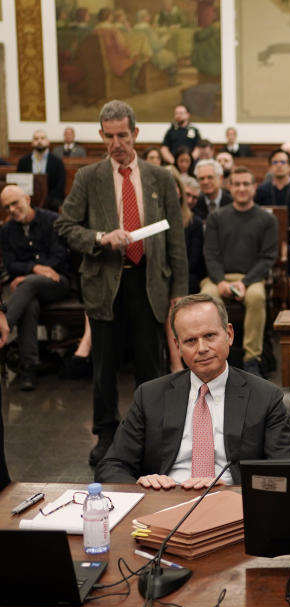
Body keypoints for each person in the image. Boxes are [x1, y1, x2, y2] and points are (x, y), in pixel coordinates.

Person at [55, 99, 188, 467]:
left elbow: (176, 239)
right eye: (109, 136)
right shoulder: (88, 177)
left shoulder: (160, 178)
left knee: (151, 367)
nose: (117, 143)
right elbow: (64, 226)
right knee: (105, 367)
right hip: (104, 285)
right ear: (101, 136)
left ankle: (153, 435)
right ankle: (106, 436)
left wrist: (179, 293)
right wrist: (100, 238)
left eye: (123, 135)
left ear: (136, 133)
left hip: (150, 284)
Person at [95, 294, 290, 488]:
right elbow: (111, 466)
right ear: (177, 346)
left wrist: (235, 489)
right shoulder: (149, 395)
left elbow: (286, 474)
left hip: (232, 503)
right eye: (190, 341)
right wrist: (143, 487)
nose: (202, 348)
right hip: (166, 498)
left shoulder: (265, 397)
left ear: (229, 335)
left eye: (210, 336)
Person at [202, 167, 277, 377]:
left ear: (254, 187)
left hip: (251, 279)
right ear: (229, 187)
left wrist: (246, 282)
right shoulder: (217, 217)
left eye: (246, 184)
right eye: (237, 184)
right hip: (220, 277)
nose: (241, 188)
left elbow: (267, 257)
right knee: (207, 300)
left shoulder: (267, 219)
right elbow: (211, 255)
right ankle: (213, 357)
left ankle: (251, 358)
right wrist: (221, 282)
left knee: (256, 297)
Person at [0, 185, 73, 391]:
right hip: (28, 290)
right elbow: (10, 265)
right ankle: (28, 369)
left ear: (27, 199)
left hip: (58, 283)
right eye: (7, 207)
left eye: (15, 203)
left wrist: (29, 274)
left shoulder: (51, 220)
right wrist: (34, 268)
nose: (12, 209)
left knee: (27, 284)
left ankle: (3, 321)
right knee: (29, 304)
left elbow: (60, 257)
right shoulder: (6, 231)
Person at [254, 148, 290, 280]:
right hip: (266, 236)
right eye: (275, 162)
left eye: (283, 162)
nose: (279, 165)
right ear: (270, 167)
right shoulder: (263, 189)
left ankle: (289, 285)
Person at [17, 129, 67, 210]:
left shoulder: (57, 162)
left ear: (48, 142)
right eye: (36, 139)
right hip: (27, 201)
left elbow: (60, 186)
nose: (39, 141)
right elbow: (20, 183)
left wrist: (46, 200)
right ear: (32, 143)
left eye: (42, 138)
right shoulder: (23, 161)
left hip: (51, 203)